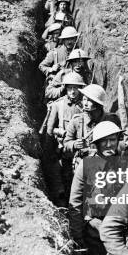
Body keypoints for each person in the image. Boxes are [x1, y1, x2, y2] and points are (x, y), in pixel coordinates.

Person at [69, 121, 124, 255]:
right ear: (97, 144)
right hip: (94, 229)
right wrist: (78, 238)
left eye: (113, 140)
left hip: (120, 229)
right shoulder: (86, 166)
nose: (109, 145)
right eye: (104, 141)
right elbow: (76, 203)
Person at [45, 72, 86, 206]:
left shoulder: (85, 105)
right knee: (63, 174)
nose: (73, 92)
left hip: (81, 148)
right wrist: (60, 133)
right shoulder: (59, 105)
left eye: (76, 88)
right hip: (63, 148)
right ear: (65, 89)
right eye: (70, 88)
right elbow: (49, 130)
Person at [63, 84, 121, 169]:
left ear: (98, 104)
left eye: (89, 100)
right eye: (84, 99)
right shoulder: (77, 121)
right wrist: (75, 144)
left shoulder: (112, 120)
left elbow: (122, 142)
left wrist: (113, 148)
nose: (85, 103)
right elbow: (66, 143)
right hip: (84, 166)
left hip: (107, 165)